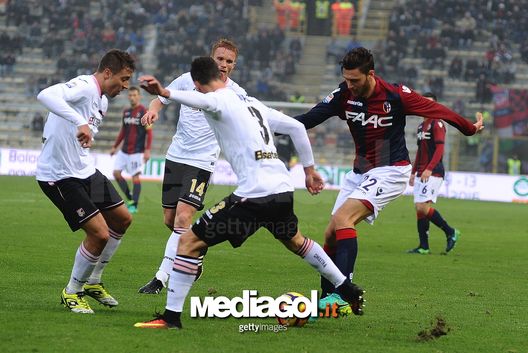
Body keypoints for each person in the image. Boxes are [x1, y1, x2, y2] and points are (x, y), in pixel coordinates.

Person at [134, 57, 365, 329]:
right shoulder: (251, 102)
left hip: (254, 195)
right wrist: (309, 171)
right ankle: (347, 288)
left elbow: (203, 102)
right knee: (297, 242)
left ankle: (170, 318)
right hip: (281, 188)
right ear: (220, 77)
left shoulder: (218, 99)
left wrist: (164, 93)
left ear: (197, 84)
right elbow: (296, 127)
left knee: (188, 243)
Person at [293, 47, 483, 310]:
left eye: (355, 80)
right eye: (346, 79)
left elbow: (436, 109)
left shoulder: (395, 95)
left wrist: (469, 128)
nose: (350, 85)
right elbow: (306, 120)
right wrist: (265, 127)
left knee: (343, 219)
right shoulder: (343, 95)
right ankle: (328, 300)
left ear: (371, 74)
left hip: (391, 169)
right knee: (331, 234)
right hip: (360, 171)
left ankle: (344, 294)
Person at [137, 39, 247, 295]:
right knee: (171, 220)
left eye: (229, 61)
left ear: (234, 65)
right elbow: (160, 100)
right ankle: (197, 246)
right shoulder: (188, 79)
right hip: (176, 156)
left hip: (202, 162)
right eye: (220, 59)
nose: (224, 64)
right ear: (211, 58)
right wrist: (153, 111)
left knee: (183, 218)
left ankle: (160, 278)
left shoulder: (235, 93)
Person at [36, 49, 135, 314]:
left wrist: (81, 129)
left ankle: (93, 281)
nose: (125, 86)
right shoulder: (83, 86)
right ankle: (72, 291)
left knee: (123, 219)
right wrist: (80, 122)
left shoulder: (101, 101)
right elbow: (45, 95)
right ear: (107, 72)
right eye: (123, 79)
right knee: (99, 233)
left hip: (84, 170)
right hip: (58, 175)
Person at [407, 92, 460, 255]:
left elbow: (440, 149)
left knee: (423, 207)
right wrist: (413, 171)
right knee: (419, 208)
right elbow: (420, 151)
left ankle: (451, 231)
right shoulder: (420, 126)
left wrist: (429, 168)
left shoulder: (437, 123)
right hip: (421, 171)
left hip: (433, 171)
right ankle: (424, 246)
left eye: (429, 103)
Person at [110, 86, 153, 214]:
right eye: (130, 95)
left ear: (139, 96)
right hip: (124, 150)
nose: (132, 97)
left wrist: (147, 150)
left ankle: (134, 205)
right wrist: (115, 146)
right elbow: (123, 131)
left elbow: (149, 133)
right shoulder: (126, 112)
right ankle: (129, 199)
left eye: (134, 95)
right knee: (116, 174)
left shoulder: (144, 112)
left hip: (137, 151)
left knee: (135, 178)